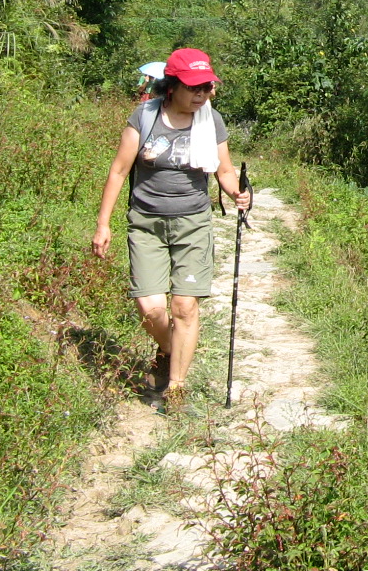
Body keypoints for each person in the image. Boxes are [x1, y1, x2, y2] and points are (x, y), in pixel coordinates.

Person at [91, 47, 249, 409]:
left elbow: (224, 171)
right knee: (149, 307)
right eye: (194, 87)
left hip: (192, 223)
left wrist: (239, 193)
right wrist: (103, 224)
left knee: (184, 306)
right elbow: (118, 171)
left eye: (206, 87)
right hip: (146, 222)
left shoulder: (211, 121)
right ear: (172, 86)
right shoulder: (145, 117)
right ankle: (167, 348)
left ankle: (175, 388)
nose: (201, 94)